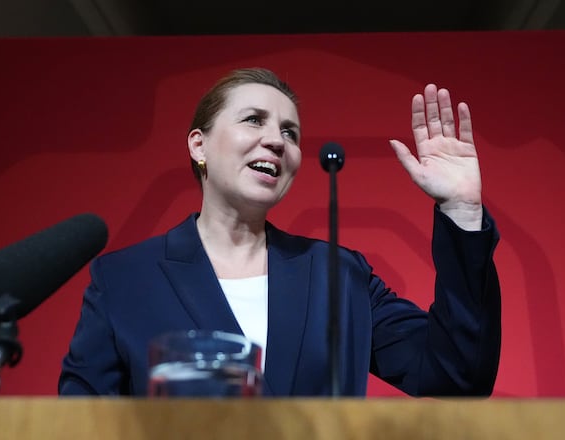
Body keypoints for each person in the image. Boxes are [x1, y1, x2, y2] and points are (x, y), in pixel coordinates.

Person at [58, 68, 500, 397]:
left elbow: (456, 376)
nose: (276, 140)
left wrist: (461, 207)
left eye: (290, 132)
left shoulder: (339, 275)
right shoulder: (124, 280)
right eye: (254, 120)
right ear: (199, 145)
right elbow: (80, 421)